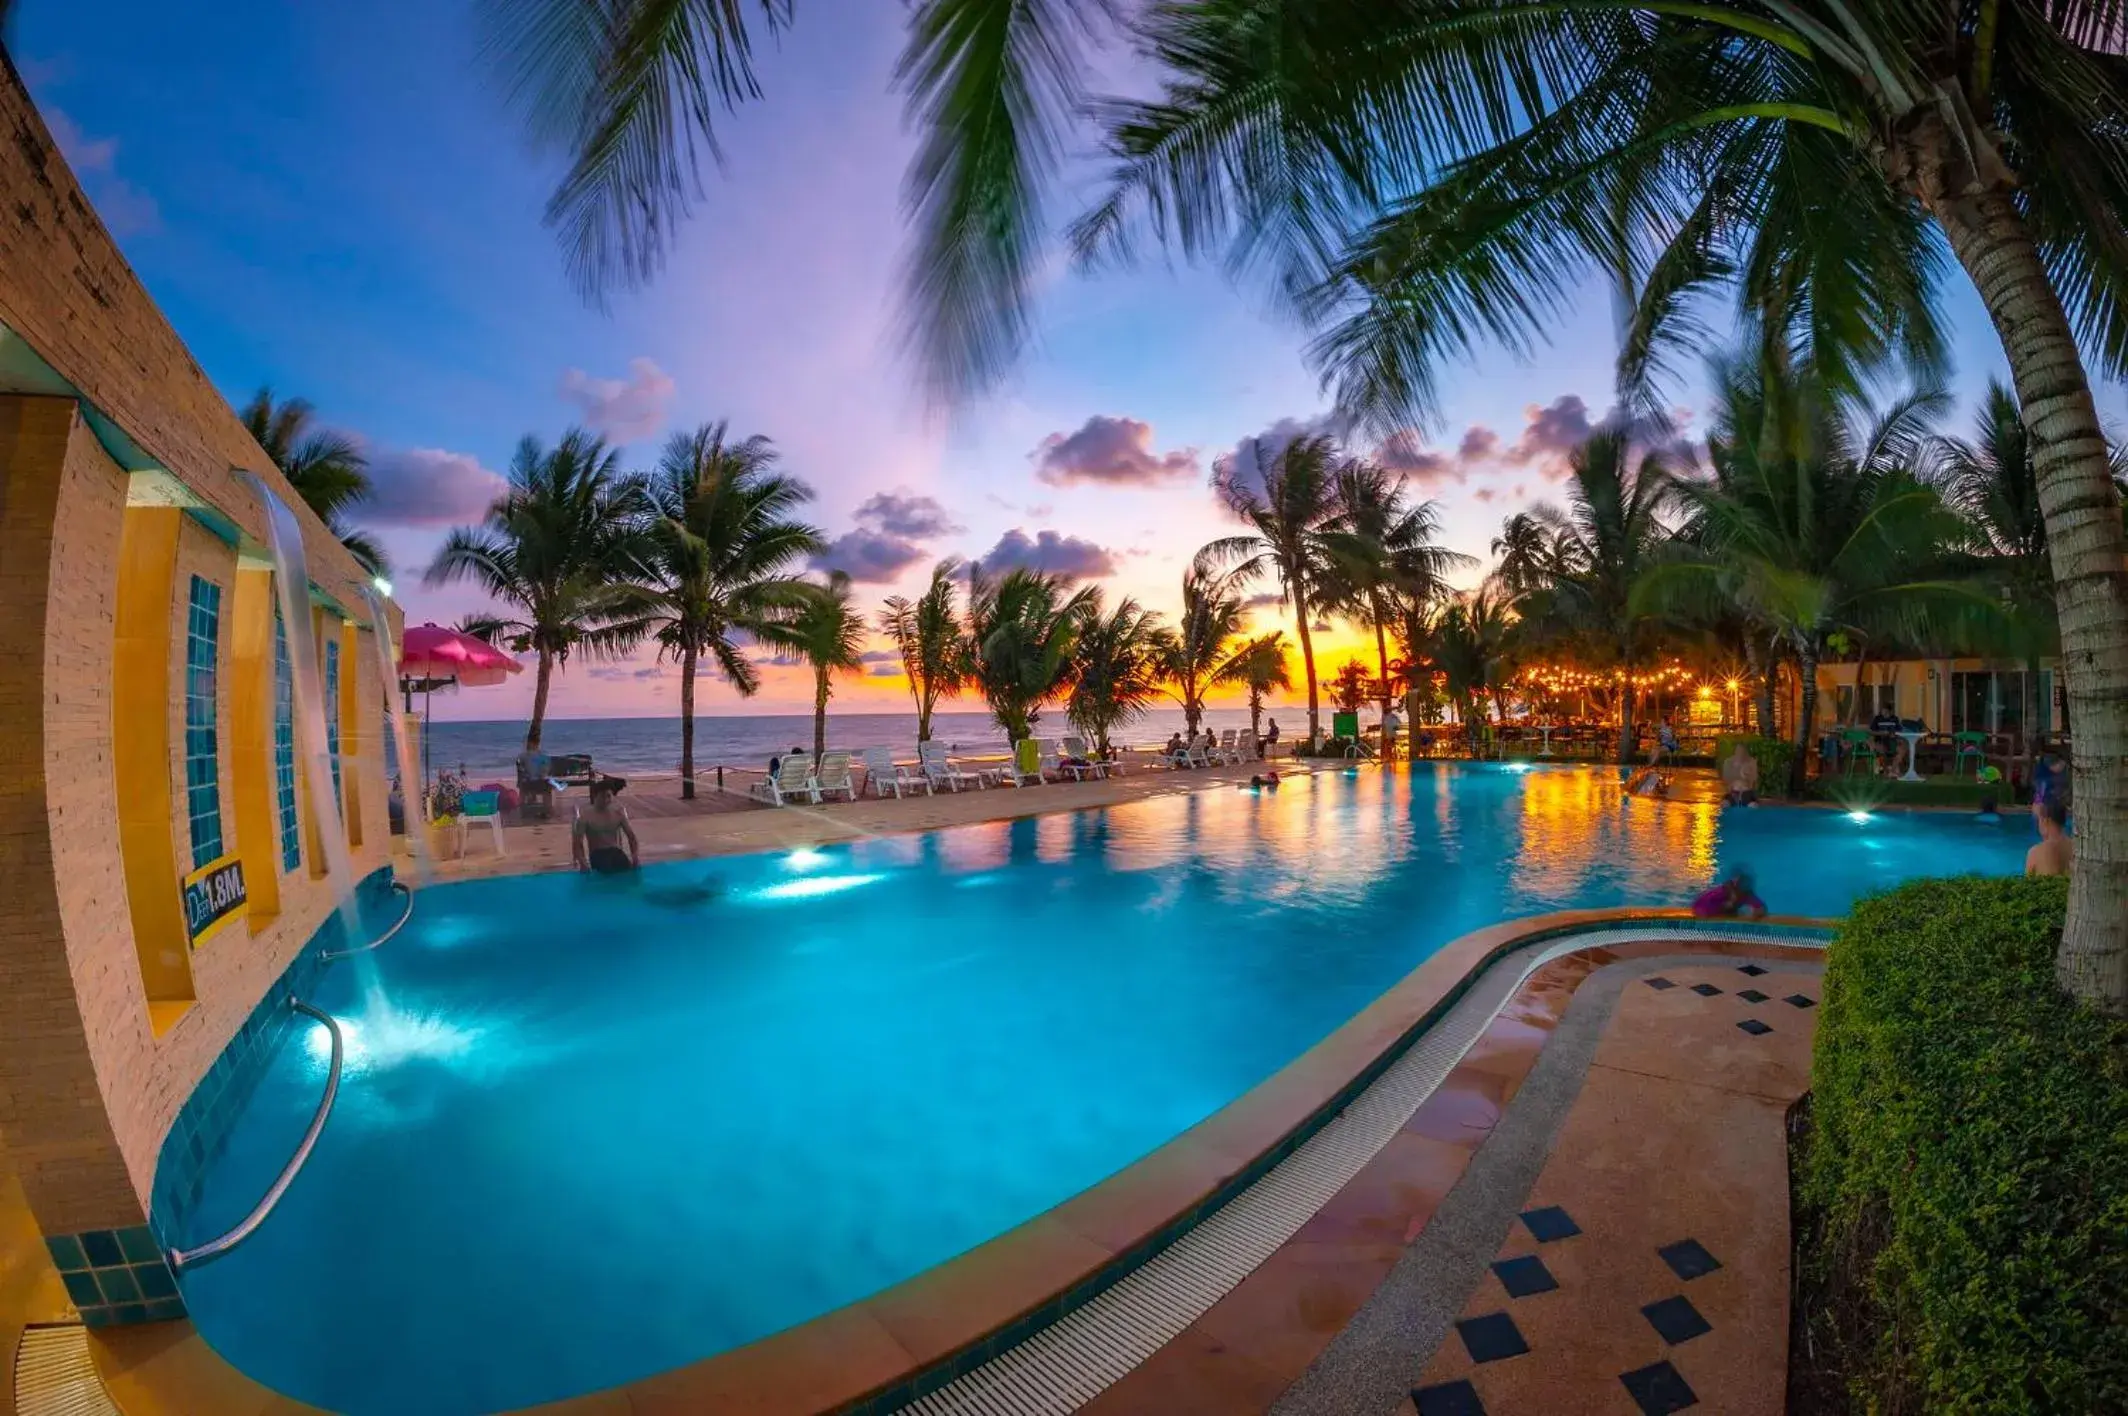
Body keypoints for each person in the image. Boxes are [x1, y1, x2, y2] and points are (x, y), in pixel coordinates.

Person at [572, 782, 640, 874]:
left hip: (616, 852)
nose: (606, 800)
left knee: (630, 875)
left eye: (609, 796)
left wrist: (635, 856)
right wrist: (582, 862)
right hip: (598, 854)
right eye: (603, 796)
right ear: (595, 796)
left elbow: (631, 836)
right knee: (608, 873)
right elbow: (578, 843)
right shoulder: (586, 816)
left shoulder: (618, 813)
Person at [2025, 798, 2075, 877]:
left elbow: (2027, 886)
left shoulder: (2035, 852)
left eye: (2038, 820)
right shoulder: (2075, 848)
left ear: (2045, 821)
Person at [1692, 867, 1767, 919]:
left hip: (1718, 910)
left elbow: (1758, 905)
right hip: (1705, 909)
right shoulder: (1723, 891)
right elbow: (1701, 905)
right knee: (1730, 906)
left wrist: (1759, 909)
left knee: (1734, 907)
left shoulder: (1745, 893)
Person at [1720, 741, 1760, 806]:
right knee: (1725, 804)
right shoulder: (1728, 762)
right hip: (1732, 792)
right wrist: (1734, 787)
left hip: (1747, 792)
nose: (1740, 753)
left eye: (1742, 751)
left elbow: (1753, 783)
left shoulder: (1751, 762)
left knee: (1752, 805)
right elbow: (1726, 782)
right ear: (1735, 752)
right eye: (1738, 750)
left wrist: (1745, 777)